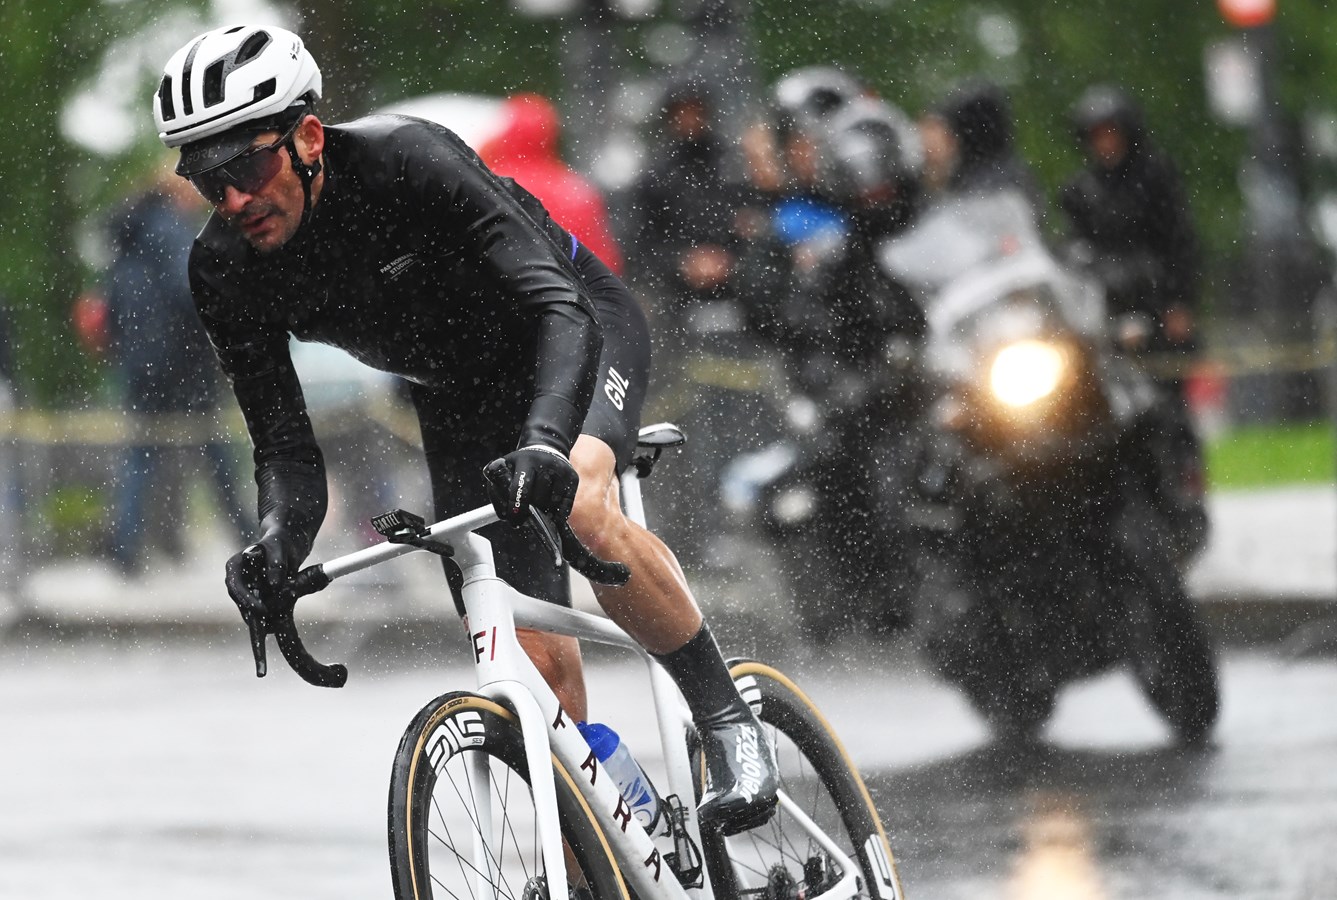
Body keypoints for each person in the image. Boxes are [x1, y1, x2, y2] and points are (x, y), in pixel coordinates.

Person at [152, 24, 776, 834]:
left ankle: (728, 719)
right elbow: (283, 447)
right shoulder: (225, 267)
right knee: (528, 662)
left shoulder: (407, 160)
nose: (233, 198)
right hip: (455, 397)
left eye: (247, 164)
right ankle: (612, 843)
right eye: (208, 179)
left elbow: (557, 307)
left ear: (307, 136)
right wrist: (275, 544)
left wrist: (550, 443)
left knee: (580, 506)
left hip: (574, 334)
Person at [98, 158, 251, 575]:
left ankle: (125, 550)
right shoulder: (169, 229)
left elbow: (112, 304)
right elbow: (190, 290)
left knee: (141, 454)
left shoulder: (131, 232)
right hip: (182, 364)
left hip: (140, 363)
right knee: (215, 452)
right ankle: (252, 537)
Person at [1059, 84, 1202, 387]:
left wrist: (1179, 302)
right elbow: (1075, 249)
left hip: (1154, 298)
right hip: (1106, 305)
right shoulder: (1080, 191)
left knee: (1166, 390)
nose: (1105, 142)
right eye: (1097, 135)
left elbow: (1178, 240)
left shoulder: (1155, 177)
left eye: (1111, 132)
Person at [477, 92, 624, 276]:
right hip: (570, 297)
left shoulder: (487, 183)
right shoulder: (576, 189)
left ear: (504, 131)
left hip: (505, 294)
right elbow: (605, 263)